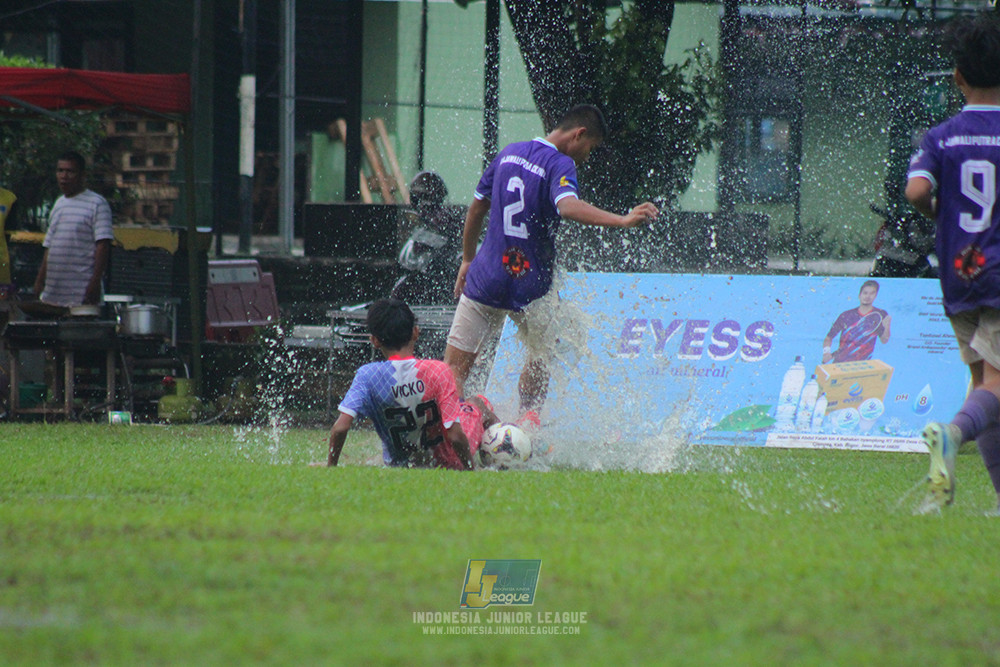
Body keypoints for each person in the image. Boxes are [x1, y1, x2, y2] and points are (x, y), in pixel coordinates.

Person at [444, 104, 658, 423]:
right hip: (531, 287)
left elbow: (476, 209)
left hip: (485, 279)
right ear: (578, 134)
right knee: (540, 358)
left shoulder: (507, 154)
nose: (586, 157)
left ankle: (451, 434)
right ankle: (526, 427)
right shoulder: (560, 163)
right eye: (590, 148)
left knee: (452, 372)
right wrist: (622, 220)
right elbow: (568, 207)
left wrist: (467, 258)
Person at [905, 11, 1000, 512]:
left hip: (959, 277)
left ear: (957, 77)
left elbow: (917, 190)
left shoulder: (940, 136)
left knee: (984, 382)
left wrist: (940, 211)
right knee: (998, 386)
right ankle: (951, 434)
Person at [325, 298, 498, 470]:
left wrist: (331, 466)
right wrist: (469, 468)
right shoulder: (437, 371)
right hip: (449, 462)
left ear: (374, 341)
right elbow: (455, 436)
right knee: (477, 403)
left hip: (400, 464)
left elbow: (340, 428)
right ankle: (509, 439)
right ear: (415, 332)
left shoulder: (367, 376)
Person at [32, 151, 113, 307]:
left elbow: (103, 246)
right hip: (53, 295)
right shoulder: (58, 204)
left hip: (81, 294)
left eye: (70, 171)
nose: (64, 176)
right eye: (60, 170)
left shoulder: (97, 203)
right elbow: (49, 246)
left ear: (82, 175)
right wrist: (39, 281)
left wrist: (95, 283)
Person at [821, 280, 892, 364]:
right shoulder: (846, 315)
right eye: (865, 293)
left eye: (871, 293)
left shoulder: (881, 314)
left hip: (863, 365)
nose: (868, 296)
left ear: (875, 295)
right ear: (859, 295)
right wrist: (826, 353)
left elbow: (884, 340)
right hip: (840, 363)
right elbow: (828, 338)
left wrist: (887, 326)